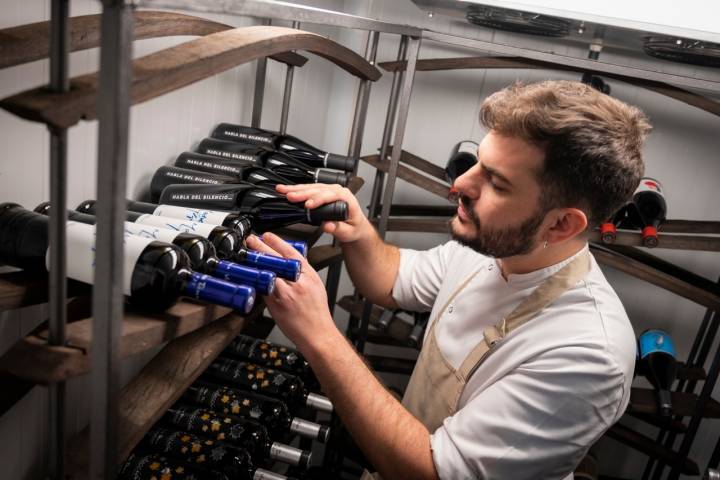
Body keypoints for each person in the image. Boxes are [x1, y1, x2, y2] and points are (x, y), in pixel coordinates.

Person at [245, 80, 652, 479]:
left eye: (496, 182)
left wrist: (320, 335)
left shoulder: (587, 355)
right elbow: (391, 279)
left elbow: (434, 471)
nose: (460, 185)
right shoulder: (494, 249)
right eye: (478, 161)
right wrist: (359, 231)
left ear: (562, 224)